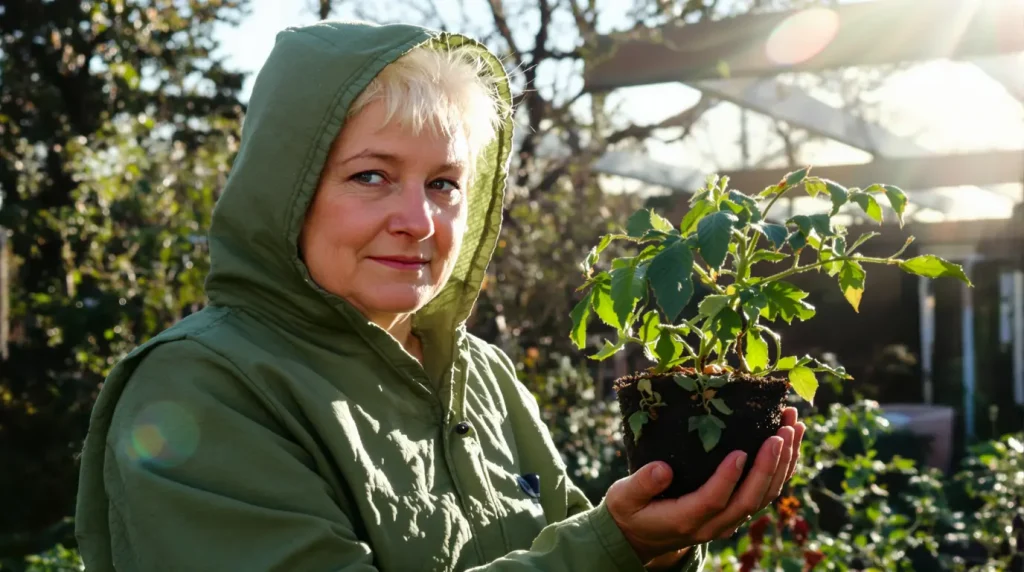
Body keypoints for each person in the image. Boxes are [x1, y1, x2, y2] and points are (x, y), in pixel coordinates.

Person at [75, 20, 805, 571]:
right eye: (370, 176)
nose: (417, 220)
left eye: (444, 184)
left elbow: (577, 541)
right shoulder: (203, 386)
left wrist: (661, 545)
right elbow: (586, 552)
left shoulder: (478, 373)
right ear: (284, 192)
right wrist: (611, 547)